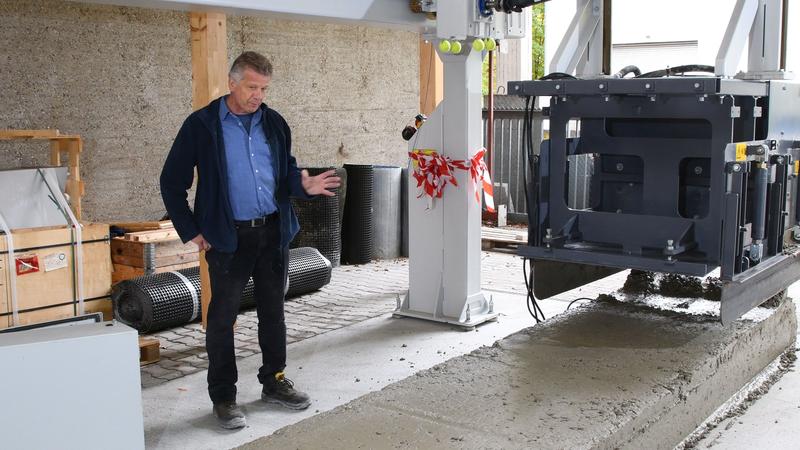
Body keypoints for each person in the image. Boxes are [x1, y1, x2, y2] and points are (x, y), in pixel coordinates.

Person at [160, 51, 340, 429]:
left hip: (273, 234)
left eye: (264, 88)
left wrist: (302, 186)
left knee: (273, 312)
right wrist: (191, 230)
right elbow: (172, 183)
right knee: (222, 320)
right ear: (232, 82)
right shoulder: (202, 126)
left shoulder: (274, 123)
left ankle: (274, 382)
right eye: (252, 87)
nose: (258, 95)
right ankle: (224, 397)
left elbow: (287, 173)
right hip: (228, 239)